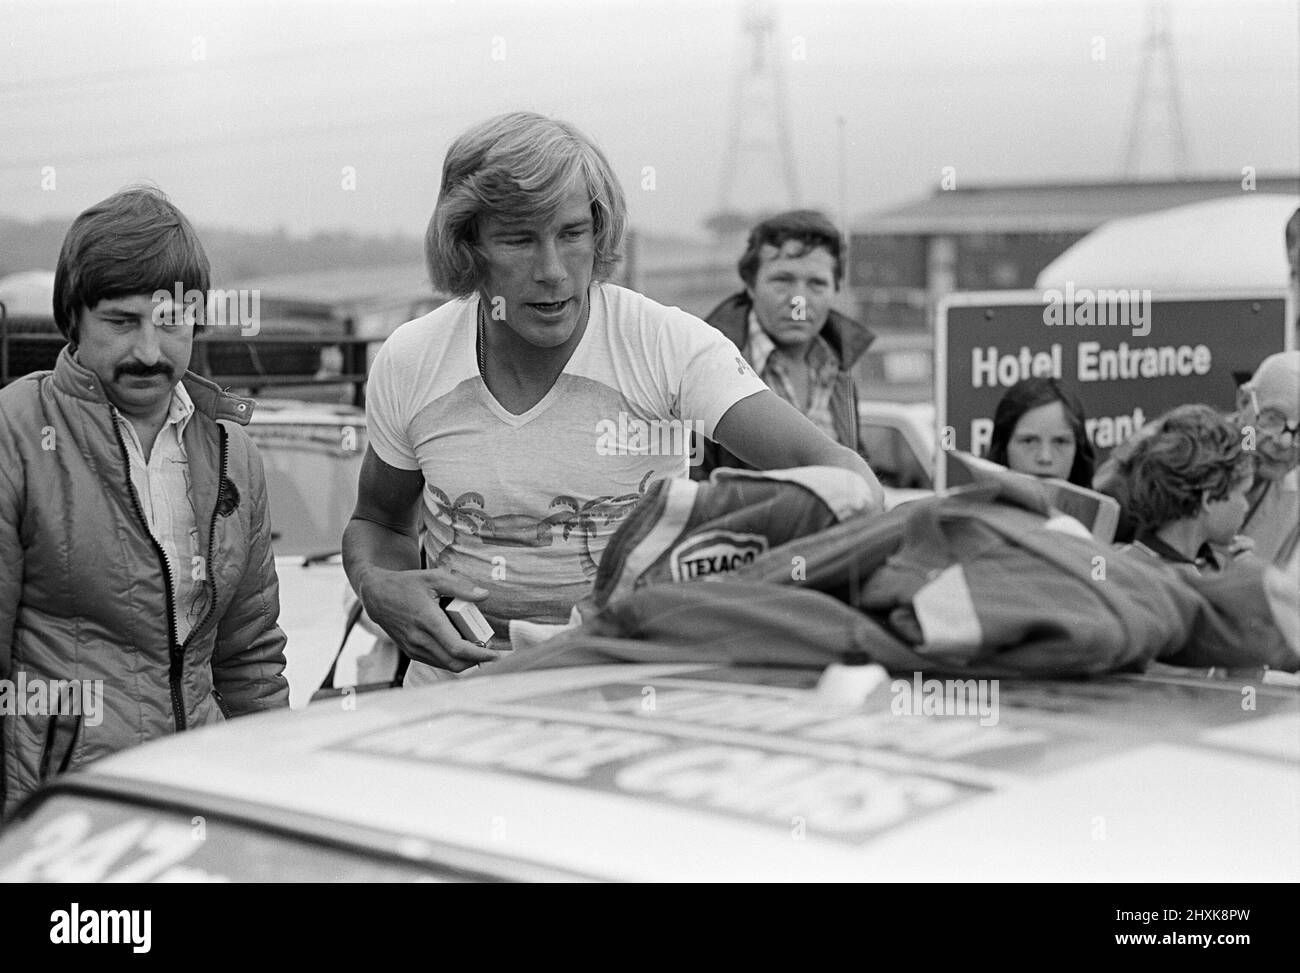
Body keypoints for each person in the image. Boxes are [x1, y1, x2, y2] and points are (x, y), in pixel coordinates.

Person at [343, 112, 883, 681]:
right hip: (456, 707)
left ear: (600, 233)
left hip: (628, 699)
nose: (552, 271)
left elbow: (845, 480)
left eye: (572, 233)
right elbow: (378, 522)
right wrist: (379, 586)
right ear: (468, 244)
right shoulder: (411, 359)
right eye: (519, 239)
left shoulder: (667, 343)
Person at [0, 187, 289, 819]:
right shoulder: (15, 431)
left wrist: (269, 800)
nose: (150, 352)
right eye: (121, 321)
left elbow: (251, 657)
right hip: (68, 817)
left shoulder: (233, 449)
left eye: (169, 321)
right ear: (71, 320)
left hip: (199, 802)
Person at [694, 209, 875, 479]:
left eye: (816, 284)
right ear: (751, 285)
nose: (798, 301)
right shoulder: (705, 365)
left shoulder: (840, 370)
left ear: (835, 289)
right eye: (782, 280)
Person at [1107, 405, 1256, 575]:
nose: (1246, 506)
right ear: (1207, 499)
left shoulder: (1219, 566)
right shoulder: (1183, 587)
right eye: (1243, 494)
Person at [1235, 350, 1299, 578]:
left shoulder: (1295, 494)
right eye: (1272, 419)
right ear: (1243, 403)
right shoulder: (1181, 465)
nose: (1285, 441)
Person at [986, 377, 1096, 487]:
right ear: (1003, 448)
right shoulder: (974, 504)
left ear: (1078, 452)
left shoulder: (1101, 503)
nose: (1045, 457)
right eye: (1029, 441)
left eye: (1060, 441)